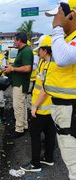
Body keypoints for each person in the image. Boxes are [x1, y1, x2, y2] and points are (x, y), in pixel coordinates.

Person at [44, 1, 76, 179]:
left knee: (74, 165)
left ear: (71, 14)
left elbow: (63, 59)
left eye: (57, 15)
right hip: (64, 110)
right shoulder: (67, 40)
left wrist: (56, 27)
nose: (54, 20)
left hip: (71, 110)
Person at [20, 35, 56, 172]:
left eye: (39, 50)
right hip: (48, 109)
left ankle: (35, 164)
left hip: (42, 108)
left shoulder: (50, 66)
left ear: (45, 50)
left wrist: (34, 106)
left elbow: (45, 90)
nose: (37, 52)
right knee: (49, 133)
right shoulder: (45, 63)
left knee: (34, 134)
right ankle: (48, 158)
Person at [4, 32, 33, 138]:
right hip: (19, 83)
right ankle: (23, 125)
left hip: (20, 83)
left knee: (18, 106)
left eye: (14, 40)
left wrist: (12, 68)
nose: (14, 42)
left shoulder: (26, 51)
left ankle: (19, 129)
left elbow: (27, 68)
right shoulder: (22, 51)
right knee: (23, 105)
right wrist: (11, 68)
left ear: (19, 40)